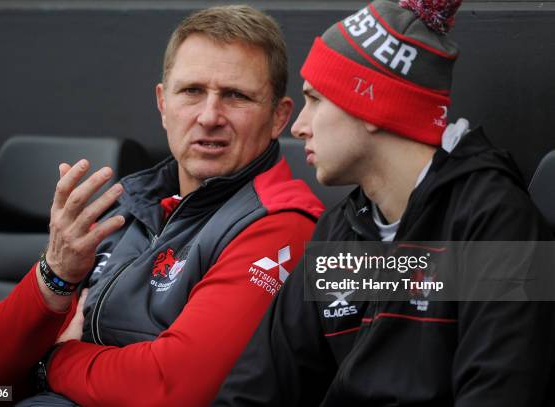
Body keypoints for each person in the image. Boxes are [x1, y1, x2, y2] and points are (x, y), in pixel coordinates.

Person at [0, 5, 324, 406]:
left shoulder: (283, 223)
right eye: (192, 91)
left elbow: (171, 389)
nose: (209, 116)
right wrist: (55, 276)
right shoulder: (129, 205)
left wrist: (52, 362)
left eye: (236, 96)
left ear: (278, 117)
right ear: (163, 104)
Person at [215, 0, 555, 405]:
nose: (300, 126)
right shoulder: (341, 229)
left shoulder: (499, 224)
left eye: (316, 99)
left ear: (372, 103)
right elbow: (254, 391)